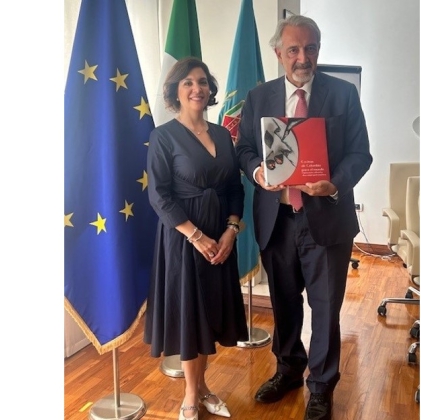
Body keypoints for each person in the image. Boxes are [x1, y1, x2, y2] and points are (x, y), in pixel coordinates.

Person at [234, 15, 373, 420]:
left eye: (310, 48)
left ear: (318, 51)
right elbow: (244, 148)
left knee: (326, 307)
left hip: (326, 219)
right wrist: (259, 172)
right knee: (284, 302)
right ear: (279, 53)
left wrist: (334, 183)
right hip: (276, 219)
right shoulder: (259, 97)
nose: (302, 57)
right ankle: (289, 370)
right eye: (293, 49)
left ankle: (322, 385)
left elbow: (360, 154)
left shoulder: (343, 95)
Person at [144, 57, 249, 420]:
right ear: (175, 90)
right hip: (184, 242)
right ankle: (191, 394)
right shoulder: (162, 136)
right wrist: (197, 236)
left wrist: (231, 231)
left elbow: (236, 188)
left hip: (221, 240)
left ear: (210, 89)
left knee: (210, 315)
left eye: (202, 81)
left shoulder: (222, 134)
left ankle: (203, 387)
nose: (196, 88)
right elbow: (159, 196)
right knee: (191, 315)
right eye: (187, 82)